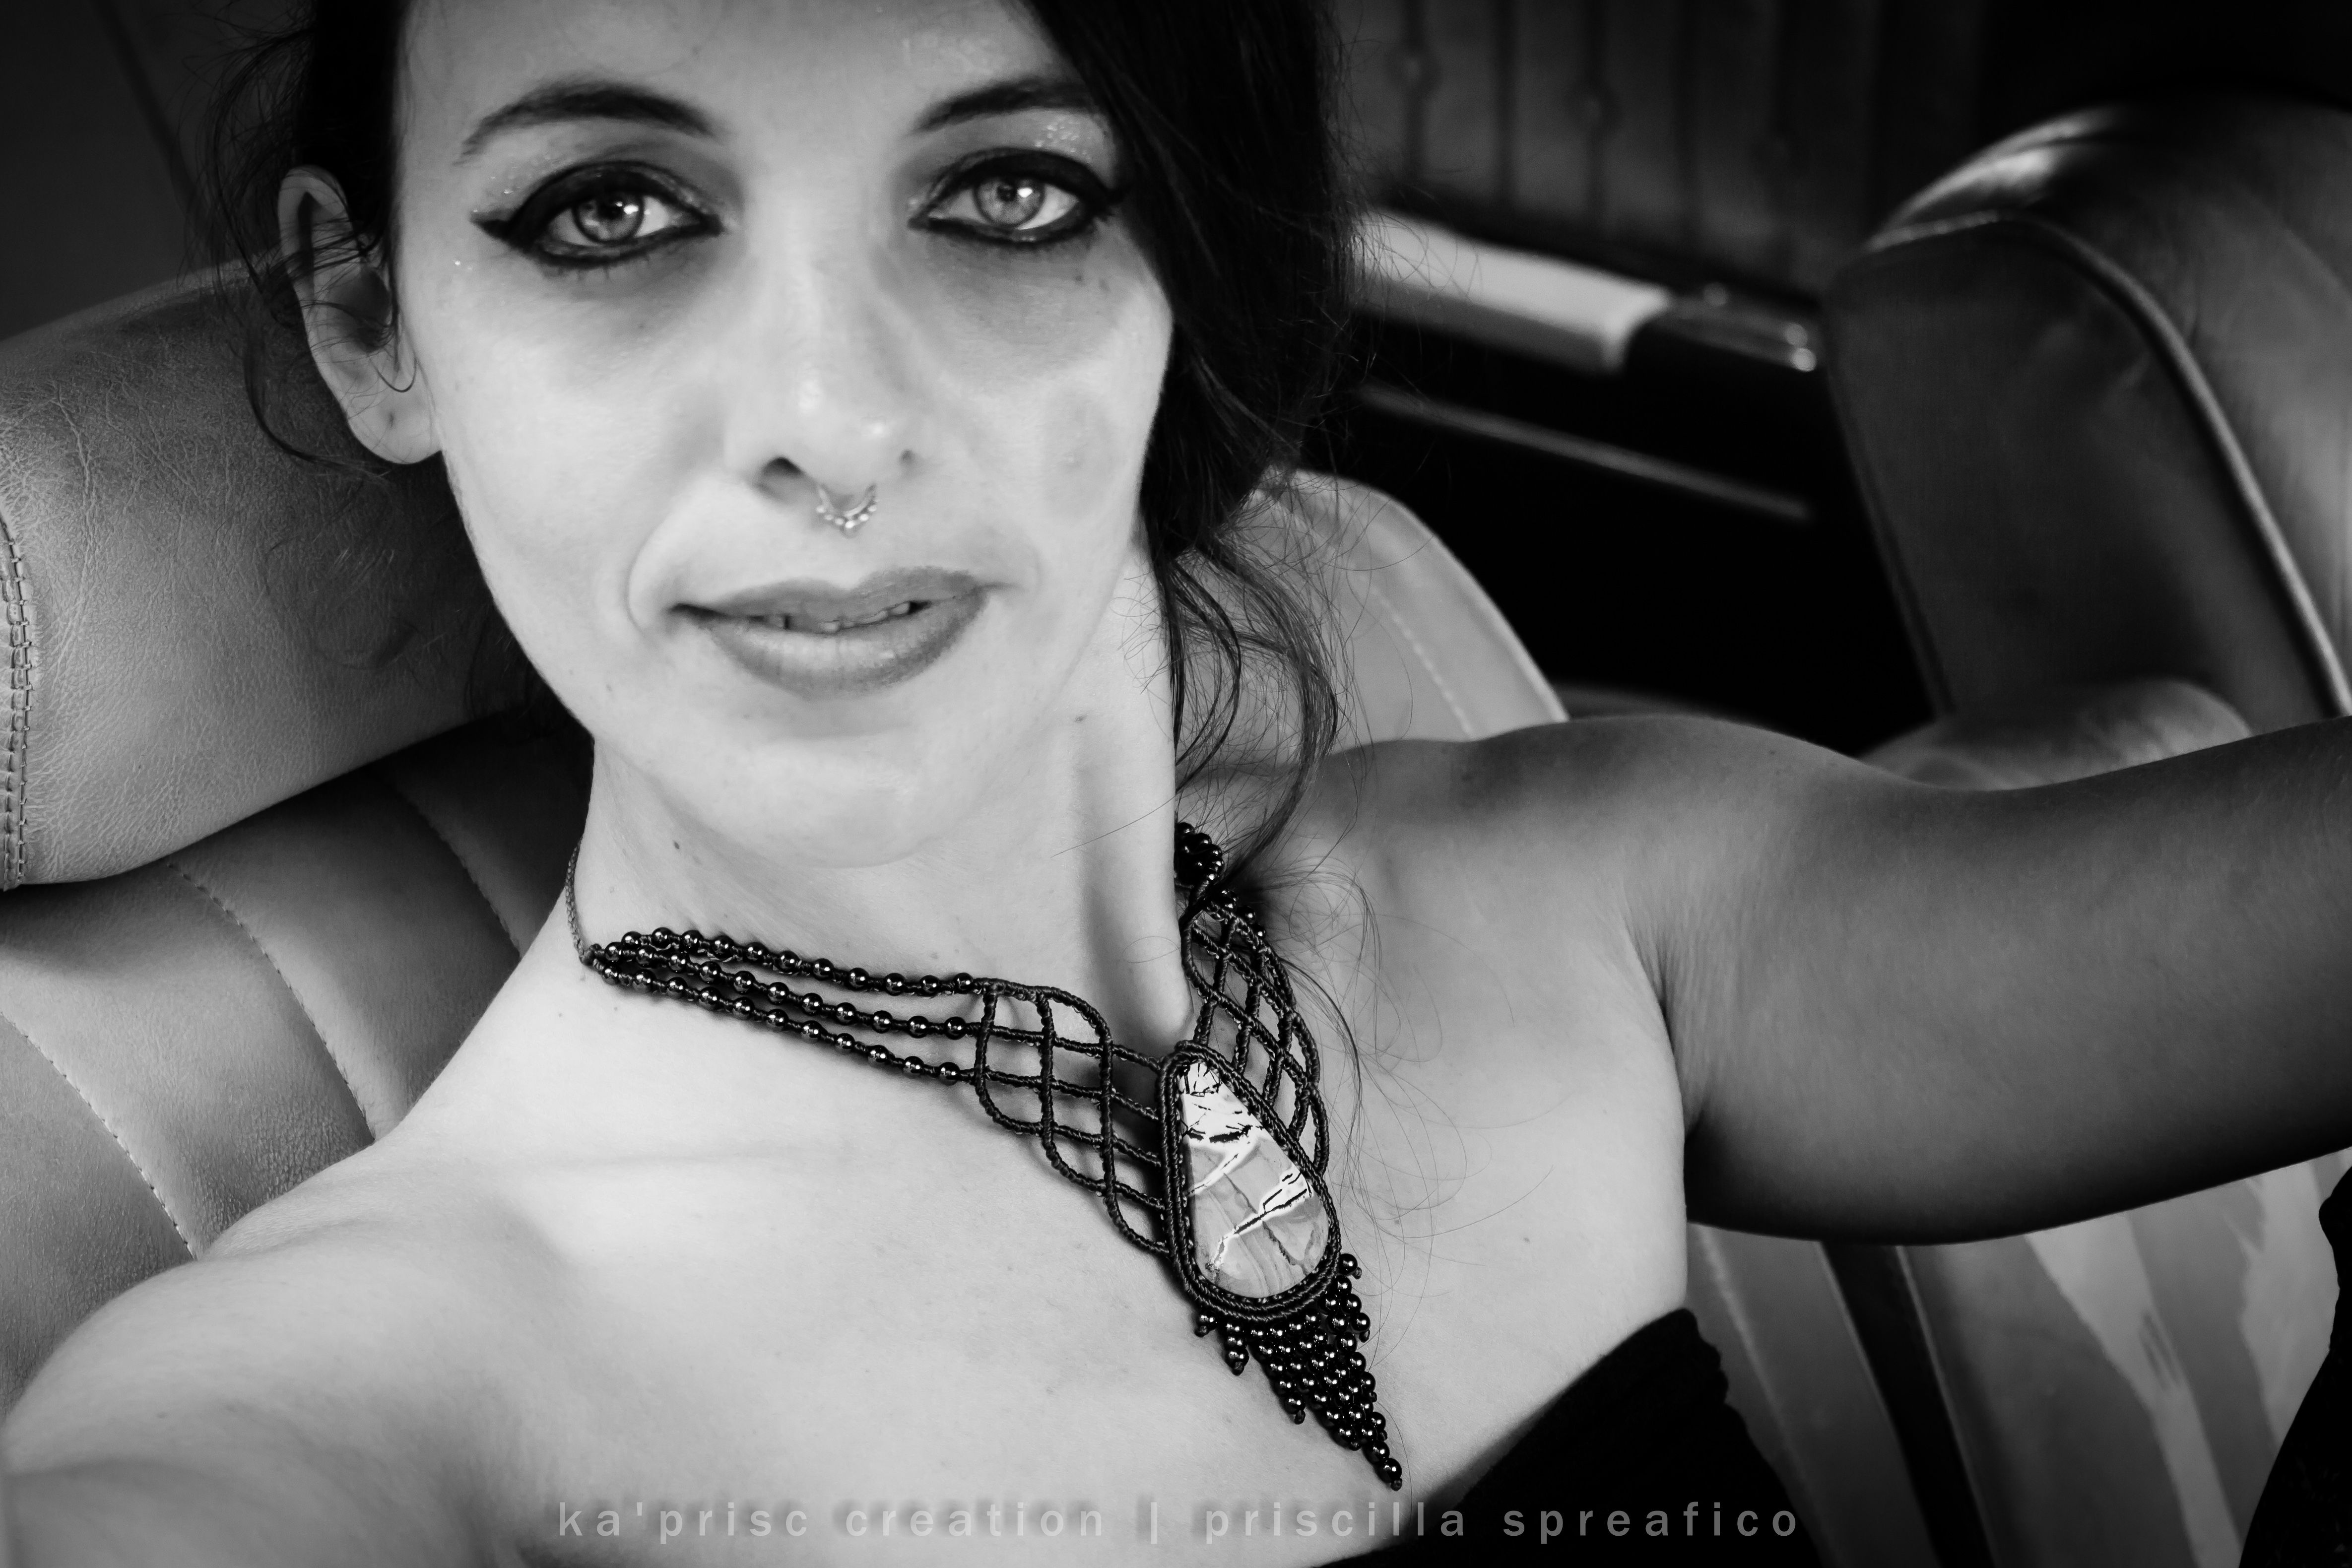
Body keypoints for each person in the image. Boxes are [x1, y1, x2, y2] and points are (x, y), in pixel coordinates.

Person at [5, 0, 2352, 1563]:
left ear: (1178, 276)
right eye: (613, 212)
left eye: (1007, 196)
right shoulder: (371, 1397)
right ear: (372, 315)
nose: (829, 418)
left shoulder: (1571, 903)